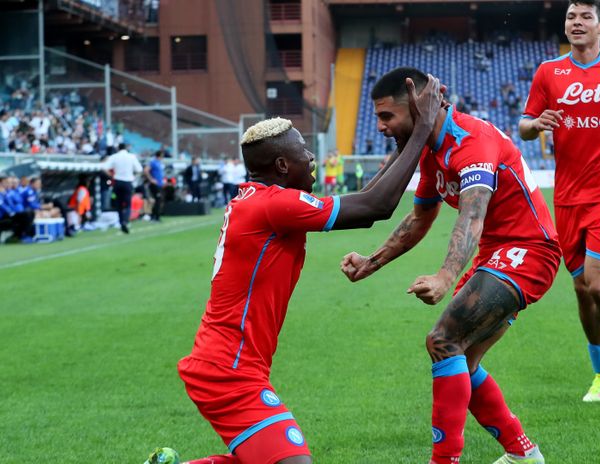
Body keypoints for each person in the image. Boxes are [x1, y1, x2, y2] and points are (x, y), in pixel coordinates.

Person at [151, 75, 442, 464]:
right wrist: (422, 128)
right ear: (283, 165)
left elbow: (366, 198)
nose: (312, 160)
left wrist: (407, 140)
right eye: (305, 153)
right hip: (229, 369)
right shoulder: (273, 206)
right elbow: (376, 207)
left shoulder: (258, 201)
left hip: (228, 362)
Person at [341, 67, 561, 464]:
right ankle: (523, 455)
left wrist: (446, 276)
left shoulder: (471, 140)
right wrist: (371, 262)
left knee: (443, 341)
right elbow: (421, 216)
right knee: (463, 359)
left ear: (418, 105)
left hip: (528, 250)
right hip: (496, 254)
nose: (380, 126)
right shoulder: (432, 150)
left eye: (387, 116)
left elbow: (471, 216)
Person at [518, 0, 600, 404]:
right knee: (581, 291)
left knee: (598, 284)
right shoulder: (549, 72)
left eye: (585, 18)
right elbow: (524, 125)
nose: (576, 23)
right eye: (570, 17)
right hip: (567, 198)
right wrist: (537, 124)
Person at [102, 143, 142, 234]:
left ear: (118, 148)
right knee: (127, 204)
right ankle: (125, 221)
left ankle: (121, 222)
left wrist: (112, 176)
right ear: (126, 148)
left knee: (119, 204)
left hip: (117, 181)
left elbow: (104, 167)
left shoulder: (114, 157)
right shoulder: (132, 157)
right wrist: (134, 177)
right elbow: (139, 169)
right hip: (128, 182)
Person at [145, 151, 165, 222]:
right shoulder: (153, 162)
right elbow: (146, 170)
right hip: (155, 184)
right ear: (159, 156)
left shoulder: (159, 163)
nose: (162, 157)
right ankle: (155, 217)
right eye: (162, 156)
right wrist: (151, 179)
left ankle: (155, 216)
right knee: (158, 199)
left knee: (159, 200)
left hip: (160, 184)